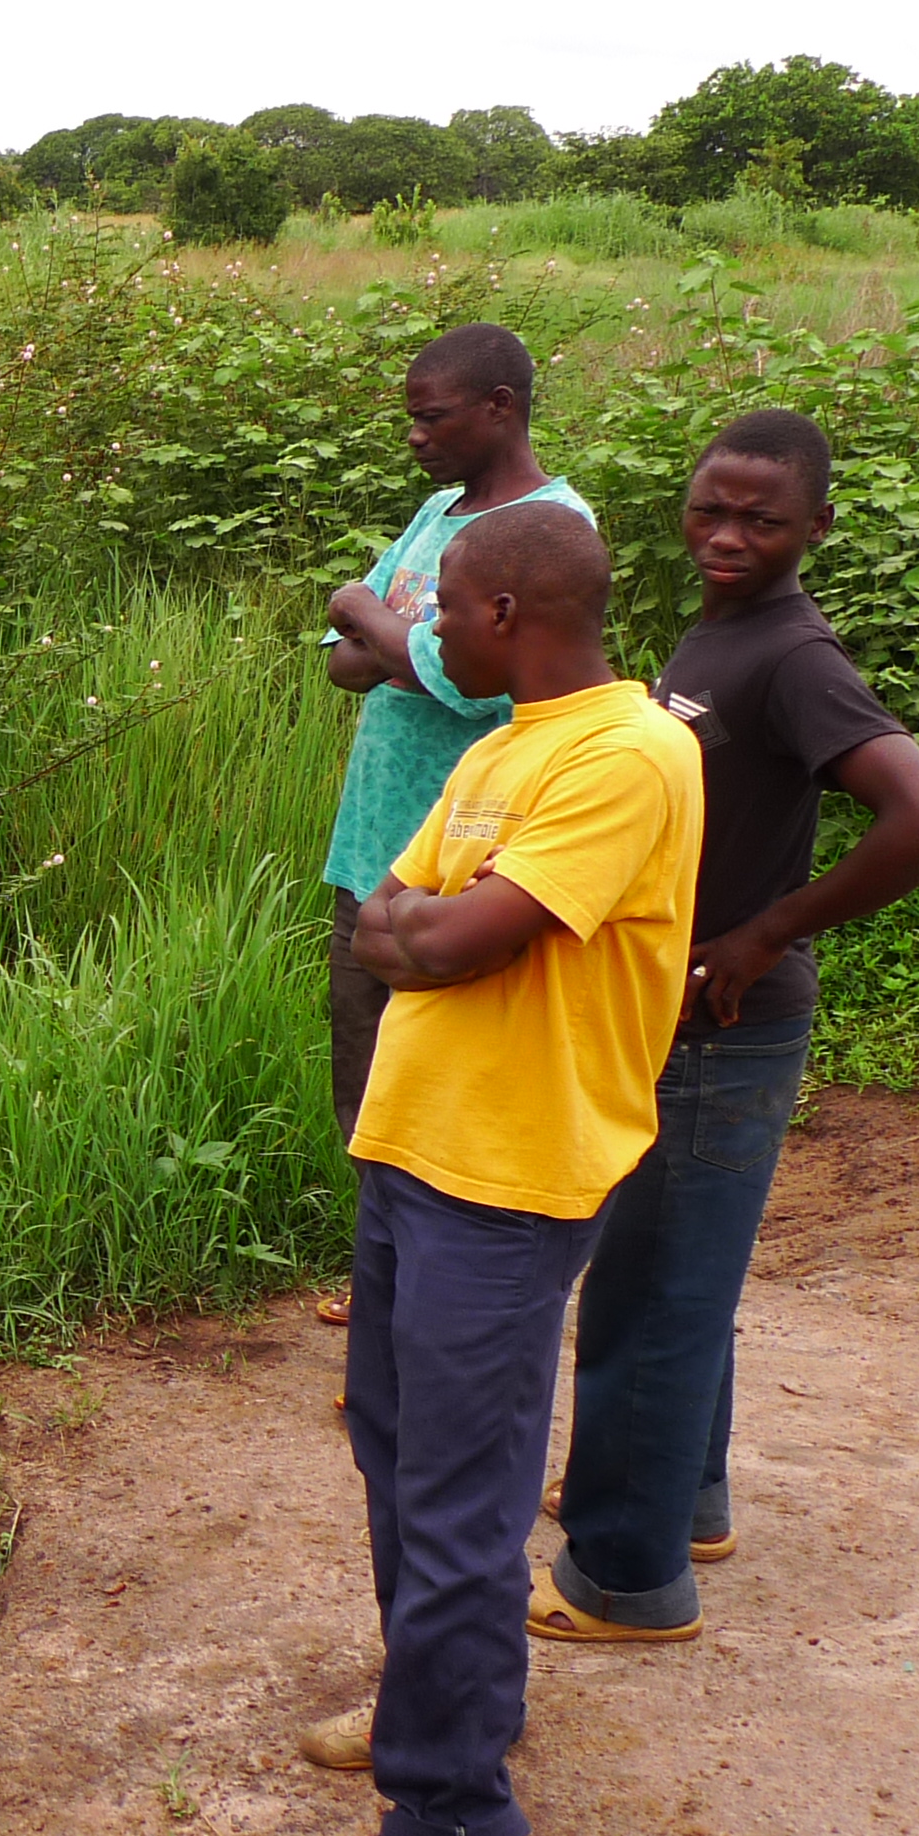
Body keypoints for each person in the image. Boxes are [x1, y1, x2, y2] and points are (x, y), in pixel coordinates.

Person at [294, 500, 702, 1836]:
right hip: (415, 1147)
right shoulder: (497, 748)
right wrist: (432, 930)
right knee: (399, 1458)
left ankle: (458, 1815)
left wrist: (435, 930)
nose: (431, 634)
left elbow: (449, 938)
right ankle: (436, 1700)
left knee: (465, 1497)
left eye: (446, 611)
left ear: (511, 616)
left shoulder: (629, 756)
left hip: (509, 1172)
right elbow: (389, 922)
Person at [530, 411, 919, 1643]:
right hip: (673, 1013)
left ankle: (623, 1579)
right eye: (708, 511)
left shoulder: (790, 657)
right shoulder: (718, 632)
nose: (725, 536)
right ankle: (685, 1506)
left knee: (650, 1296)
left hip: (723, 1026)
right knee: (674, 1282)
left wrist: (767, 929)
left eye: (759, 521)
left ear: (815, 530)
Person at [313, 325, 599, 1342]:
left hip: (471, 861)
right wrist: (387, 639)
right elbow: (347, 656)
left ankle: (439, 1314)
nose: (414, 437)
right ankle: (381, 1305)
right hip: (370, 851)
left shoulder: (551, 526)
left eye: (431, 416)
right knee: (370, 1091)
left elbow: (444, 672)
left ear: (497, 405)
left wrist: (370, 615)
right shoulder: (437, 512)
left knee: (447, 1097)